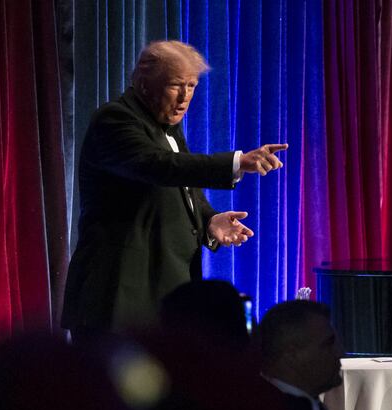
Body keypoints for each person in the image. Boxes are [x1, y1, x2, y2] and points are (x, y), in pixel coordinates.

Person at [62, 40, 287, 340]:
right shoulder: (114, 120)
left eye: (191, 85)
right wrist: (237, 162)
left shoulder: (166, 126)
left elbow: (180, 186)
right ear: (143, 83)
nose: (185, 97)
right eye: (175, 85)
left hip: (162, 295)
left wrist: (208, 219)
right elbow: (160, 166)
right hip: (119, 299)